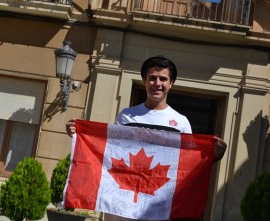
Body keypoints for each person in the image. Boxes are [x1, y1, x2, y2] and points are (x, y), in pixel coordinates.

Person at [66, 55, 227, 220]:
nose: (157, 84)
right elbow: (108, 151)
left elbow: (189, 166)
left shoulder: (180, 122)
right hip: (124, 206)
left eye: (163, 79)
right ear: (144, 81)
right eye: (152, 78)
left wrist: (213, 155)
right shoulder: (127, 116)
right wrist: (79, 135)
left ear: (170, 83)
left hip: (159, 207)